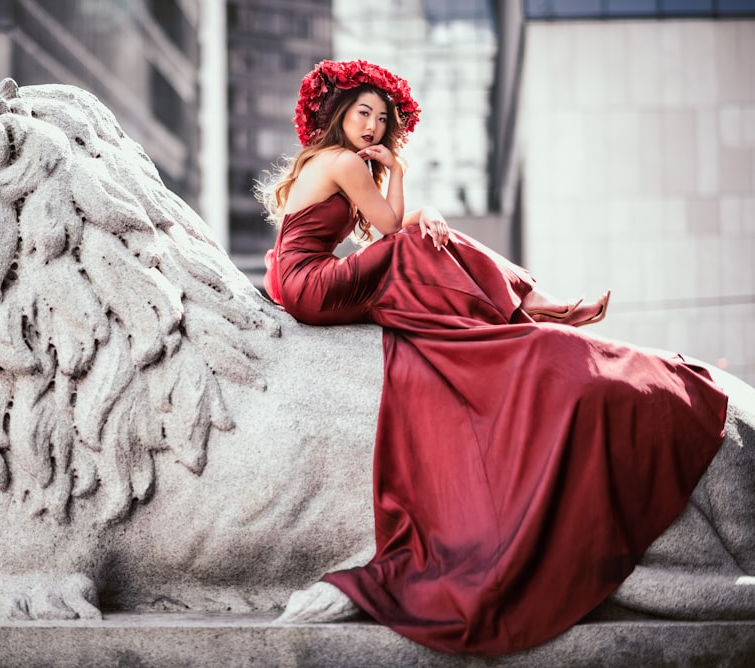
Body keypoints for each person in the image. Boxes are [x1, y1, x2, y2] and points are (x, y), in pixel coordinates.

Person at [260, 59, 729, 656]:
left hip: (301, 283)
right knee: (426, 238)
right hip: (313, 286)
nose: (374, 126)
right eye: (363, 114)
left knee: (426, 238)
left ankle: (525, 305)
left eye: (383, 119)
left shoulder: (330, 163)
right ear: (338, 115)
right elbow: (387, 228)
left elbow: (378, 235)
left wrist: (411, 213)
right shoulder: (349, 164)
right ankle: (536, 304)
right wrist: (400, 177)